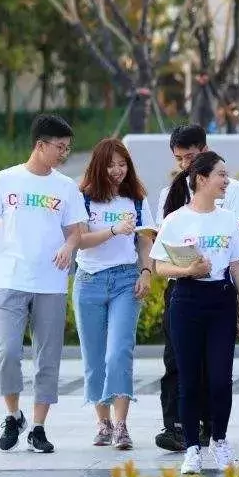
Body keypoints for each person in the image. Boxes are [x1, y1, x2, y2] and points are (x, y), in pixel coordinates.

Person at [0, 114, 87, 453]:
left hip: (51, 283)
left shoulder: (65, 187)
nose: (64, 154)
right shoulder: (4, 181)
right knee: (6, 351)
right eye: (60, 147)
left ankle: (38, 426)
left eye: (68, 148)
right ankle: (13, 415)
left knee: (47, 357)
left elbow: (76, 233)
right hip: (9, 279)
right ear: (40, 145)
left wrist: (69, 247)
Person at [151, 151, 239, 475]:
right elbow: (158, 265)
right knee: (189, 378)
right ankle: (192, 448)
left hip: (221, 300)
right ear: (202, 179)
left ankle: (219, 440)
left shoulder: (227, 219)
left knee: (221, 379)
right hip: (186, 301)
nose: (226, 181)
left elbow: (237, 263)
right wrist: (188, 270)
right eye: (221, 174)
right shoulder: (176, 220)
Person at [73, 138, 157, 450]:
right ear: (98, 165)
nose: (118, 171)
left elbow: (146, 238)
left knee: (119, 351)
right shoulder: (82, 198)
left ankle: (122, 425)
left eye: (123, 165)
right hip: (89, 281)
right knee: (94, 357)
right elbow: (78, 240)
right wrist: (113, 230)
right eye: (111, 165)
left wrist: (146, 271)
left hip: (126, 279)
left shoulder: (135, 198)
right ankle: (103, 422)